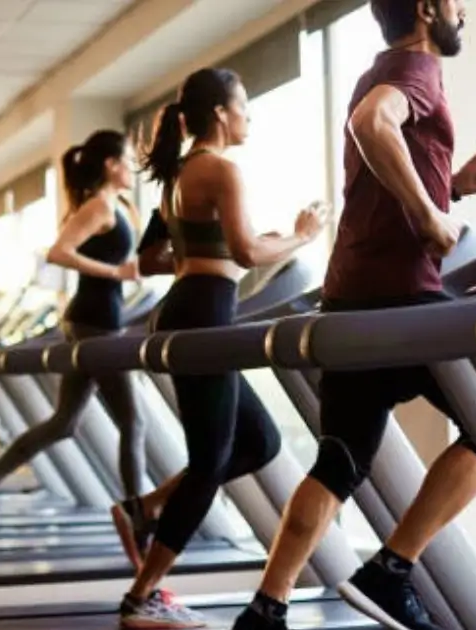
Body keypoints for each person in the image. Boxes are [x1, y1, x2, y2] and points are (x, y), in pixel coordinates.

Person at [231, 1, 476, 629]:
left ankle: (266, 609)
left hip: (350, 295)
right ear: (430, 7)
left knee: (340, 460)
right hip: (401, 295)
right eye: (457, 2)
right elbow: (370, 124)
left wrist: (452, 187)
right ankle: (391, 570)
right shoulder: (416, 68)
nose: (465, 12)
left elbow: (380, 166)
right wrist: (431, 218)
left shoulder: (382, 66)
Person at [115, 67, 329, 629]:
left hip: (191, 306)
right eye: (243, 106)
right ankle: (142, 595)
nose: (248, 117)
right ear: (220, 114)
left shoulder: (177, 176)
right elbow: (249, 248)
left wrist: (197, 260)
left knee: (259, 441)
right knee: (210, 463)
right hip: (206, 310)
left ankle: (149, 507)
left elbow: (153, 259)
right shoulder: (221, 170)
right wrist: (303, 235)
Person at [0, 129, 152, 546]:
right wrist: (116, 273)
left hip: (99, 321)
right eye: (128, 160)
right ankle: (137, 516)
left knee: (65, 423)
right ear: (111, 165)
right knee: (133, 421)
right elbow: (59, 252)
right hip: (94, 323)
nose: (132, 167)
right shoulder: (98, 206)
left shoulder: (118, 205)